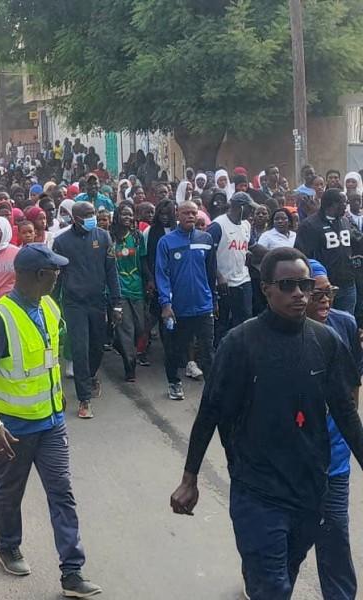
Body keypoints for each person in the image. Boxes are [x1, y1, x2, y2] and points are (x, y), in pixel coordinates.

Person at [170, 247, 363, 600]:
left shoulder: (325, 341)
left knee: (283, 575)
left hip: (309, 489)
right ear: (266, 288)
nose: (299, 294)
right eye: (287, 285)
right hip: (257, 490)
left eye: (304, 285)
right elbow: (210, 412)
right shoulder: (240, 344)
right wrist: (189, 478)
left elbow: (346, 414)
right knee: (272, 587)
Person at [0, 243, 102, 598]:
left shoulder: (50, 307)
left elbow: (49, 362)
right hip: (13, 430)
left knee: (62, 494)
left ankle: (72, 572)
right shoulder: (1, 318)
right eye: (55, 270)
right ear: (39, 275)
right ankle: (8, 546)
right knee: (10, 493)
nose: (59, 275)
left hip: (52, 423)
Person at [304, 259, 360, 600]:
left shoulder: (346, 324)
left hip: (334, 458)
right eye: (318, 294)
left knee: (335, 533)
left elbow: (353, 384)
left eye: (330, 293)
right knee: (282, 540)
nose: (325, 300)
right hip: (289, 460)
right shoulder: (268, 335)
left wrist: (347, 421)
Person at [52, 201, 121, 418]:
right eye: (88, 214)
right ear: (75, 218)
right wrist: (52, 306)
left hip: (97, 302)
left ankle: (90, 376)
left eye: (94, 213)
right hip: (74, 304)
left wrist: (117, 303)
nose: (93, 217)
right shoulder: (61, 242)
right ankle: (84, 399)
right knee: (80, 349)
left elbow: (112, 272)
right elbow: (57, 277)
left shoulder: (103, 237)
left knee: (97, 346)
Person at [155, 201, 217, 400]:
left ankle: (213, 389)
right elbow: (162, 274)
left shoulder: (206, 239)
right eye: (186, 213)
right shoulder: (166, 242)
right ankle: (174, 383)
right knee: (175, 351)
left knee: (207, 350)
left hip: (203, 306)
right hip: (177, 310)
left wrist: (213, 299)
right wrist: (165, 304)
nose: (190, 216)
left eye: (193, 213)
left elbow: (211, 273)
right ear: (177, 215)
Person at [295, 189, 356, 314]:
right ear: (332, 204)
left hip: (347, 283)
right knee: (325, 321)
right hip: (324, 288)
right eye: (344, 203)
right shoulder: (309, 225)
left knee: (346, 321)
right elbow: (302, 256)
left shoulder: (345, 221)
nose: (347, 206)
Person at [110, 201, 150, 381]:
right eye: (123, 214)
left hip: (137, 287)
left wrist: (149, 281)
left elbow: (143, 261)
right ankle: (130, 366)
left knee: (140, 328)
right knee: (126, 328)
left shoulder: (138, 237)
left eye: (130, 214)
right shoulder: (109, 237)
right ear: (117, 217)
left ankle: (118, 343)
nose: (127, 217)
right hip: (119, 289)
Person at [207, 192, 253, 341]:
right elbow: (208, 254)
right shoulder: (218, 225)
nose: (251, 212)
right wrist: (219, 276)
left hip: (243, 279)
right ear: (240, 207)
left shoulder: (246, 225)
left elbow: (251, 245)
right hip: (224, 283)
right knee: (222, 323)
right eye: (249, 209)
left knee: (245, 320)